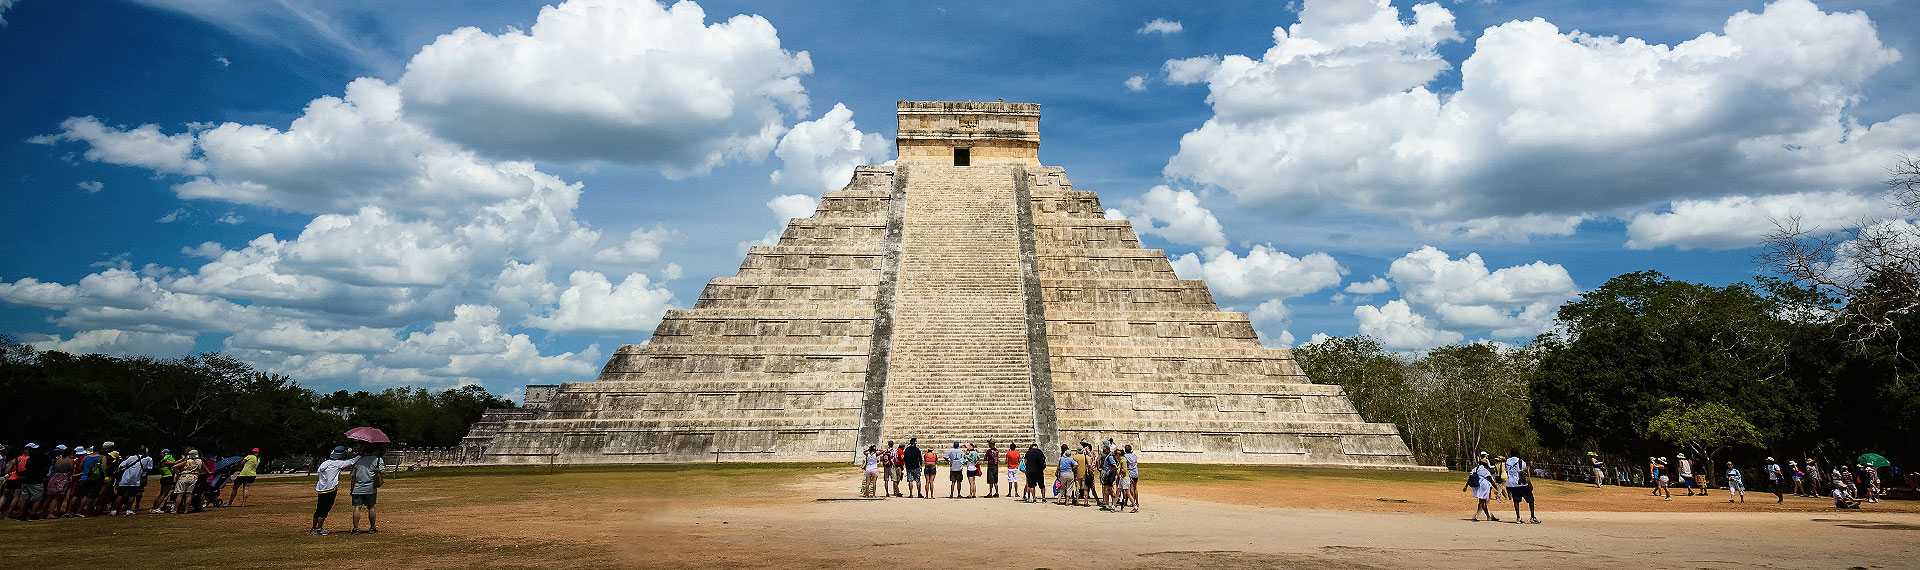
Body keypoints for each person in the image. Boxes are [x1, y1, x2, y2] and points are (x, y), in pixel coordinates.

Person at [312, 446, 356, 535]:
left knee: (319, 508)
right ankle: (319, 528)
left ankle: (313, 528)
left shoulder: (325, 463)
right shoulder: (337, 463)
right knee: (325, 509)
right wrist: (361, 455)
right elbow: (351, 462)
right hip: (330, 489)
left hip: (321, 489)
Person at [349, 446, 385, 533]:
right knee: (371, 507)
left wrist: (352, 489)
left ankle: (355, 528)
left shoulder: (358, 460)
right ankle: (372, 527)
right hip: (370, 487)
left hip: (358, 487)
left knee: (357, 507)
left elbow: (353, 477)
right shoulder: (377, 459)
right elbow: (382, 471)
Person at [112, 446, 153, 516]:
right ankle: (128, 510)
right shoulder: (146, 459)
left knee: (120, 495)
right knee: (132, 495)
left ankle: (115, 510)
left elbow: (121, 465)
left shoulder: (131, 458)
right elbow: (147, 468)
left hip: (125, 479)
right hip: (135, 480)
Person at [1506, 451, 1539, 523]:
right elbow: (1522, 473)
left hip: (1512, 483)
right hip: (1521, 484)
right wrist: (1528, 483)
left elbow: (1507, 471)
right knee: (1531, 499)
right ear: (1518, 454)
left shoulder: (1507, 461)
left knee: (1516, 501)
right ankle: (1532, 517)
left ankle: (1518, 518)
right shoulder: (1520, 461)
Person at [170, 450, 203, 515]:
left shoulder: (187, 461)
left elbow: (175, 466)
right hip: (193, 478)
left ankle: (175, 510)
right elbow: (202, 470)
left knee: (179, 495)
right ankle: (186, 510)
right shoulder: (200, 462)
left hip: (183, 477)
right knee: (189, 494)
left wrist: (178, 474)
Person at [1124, 445, 1140, 513]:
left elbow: (1125, 465)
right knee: (1135, 488)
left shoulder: (1125, 457)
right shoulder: (1134, 455)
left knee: (1131, 488)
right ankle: (1137, 502)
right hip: (1135, 472)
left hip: (1130, 473)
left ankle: (1132, 501)